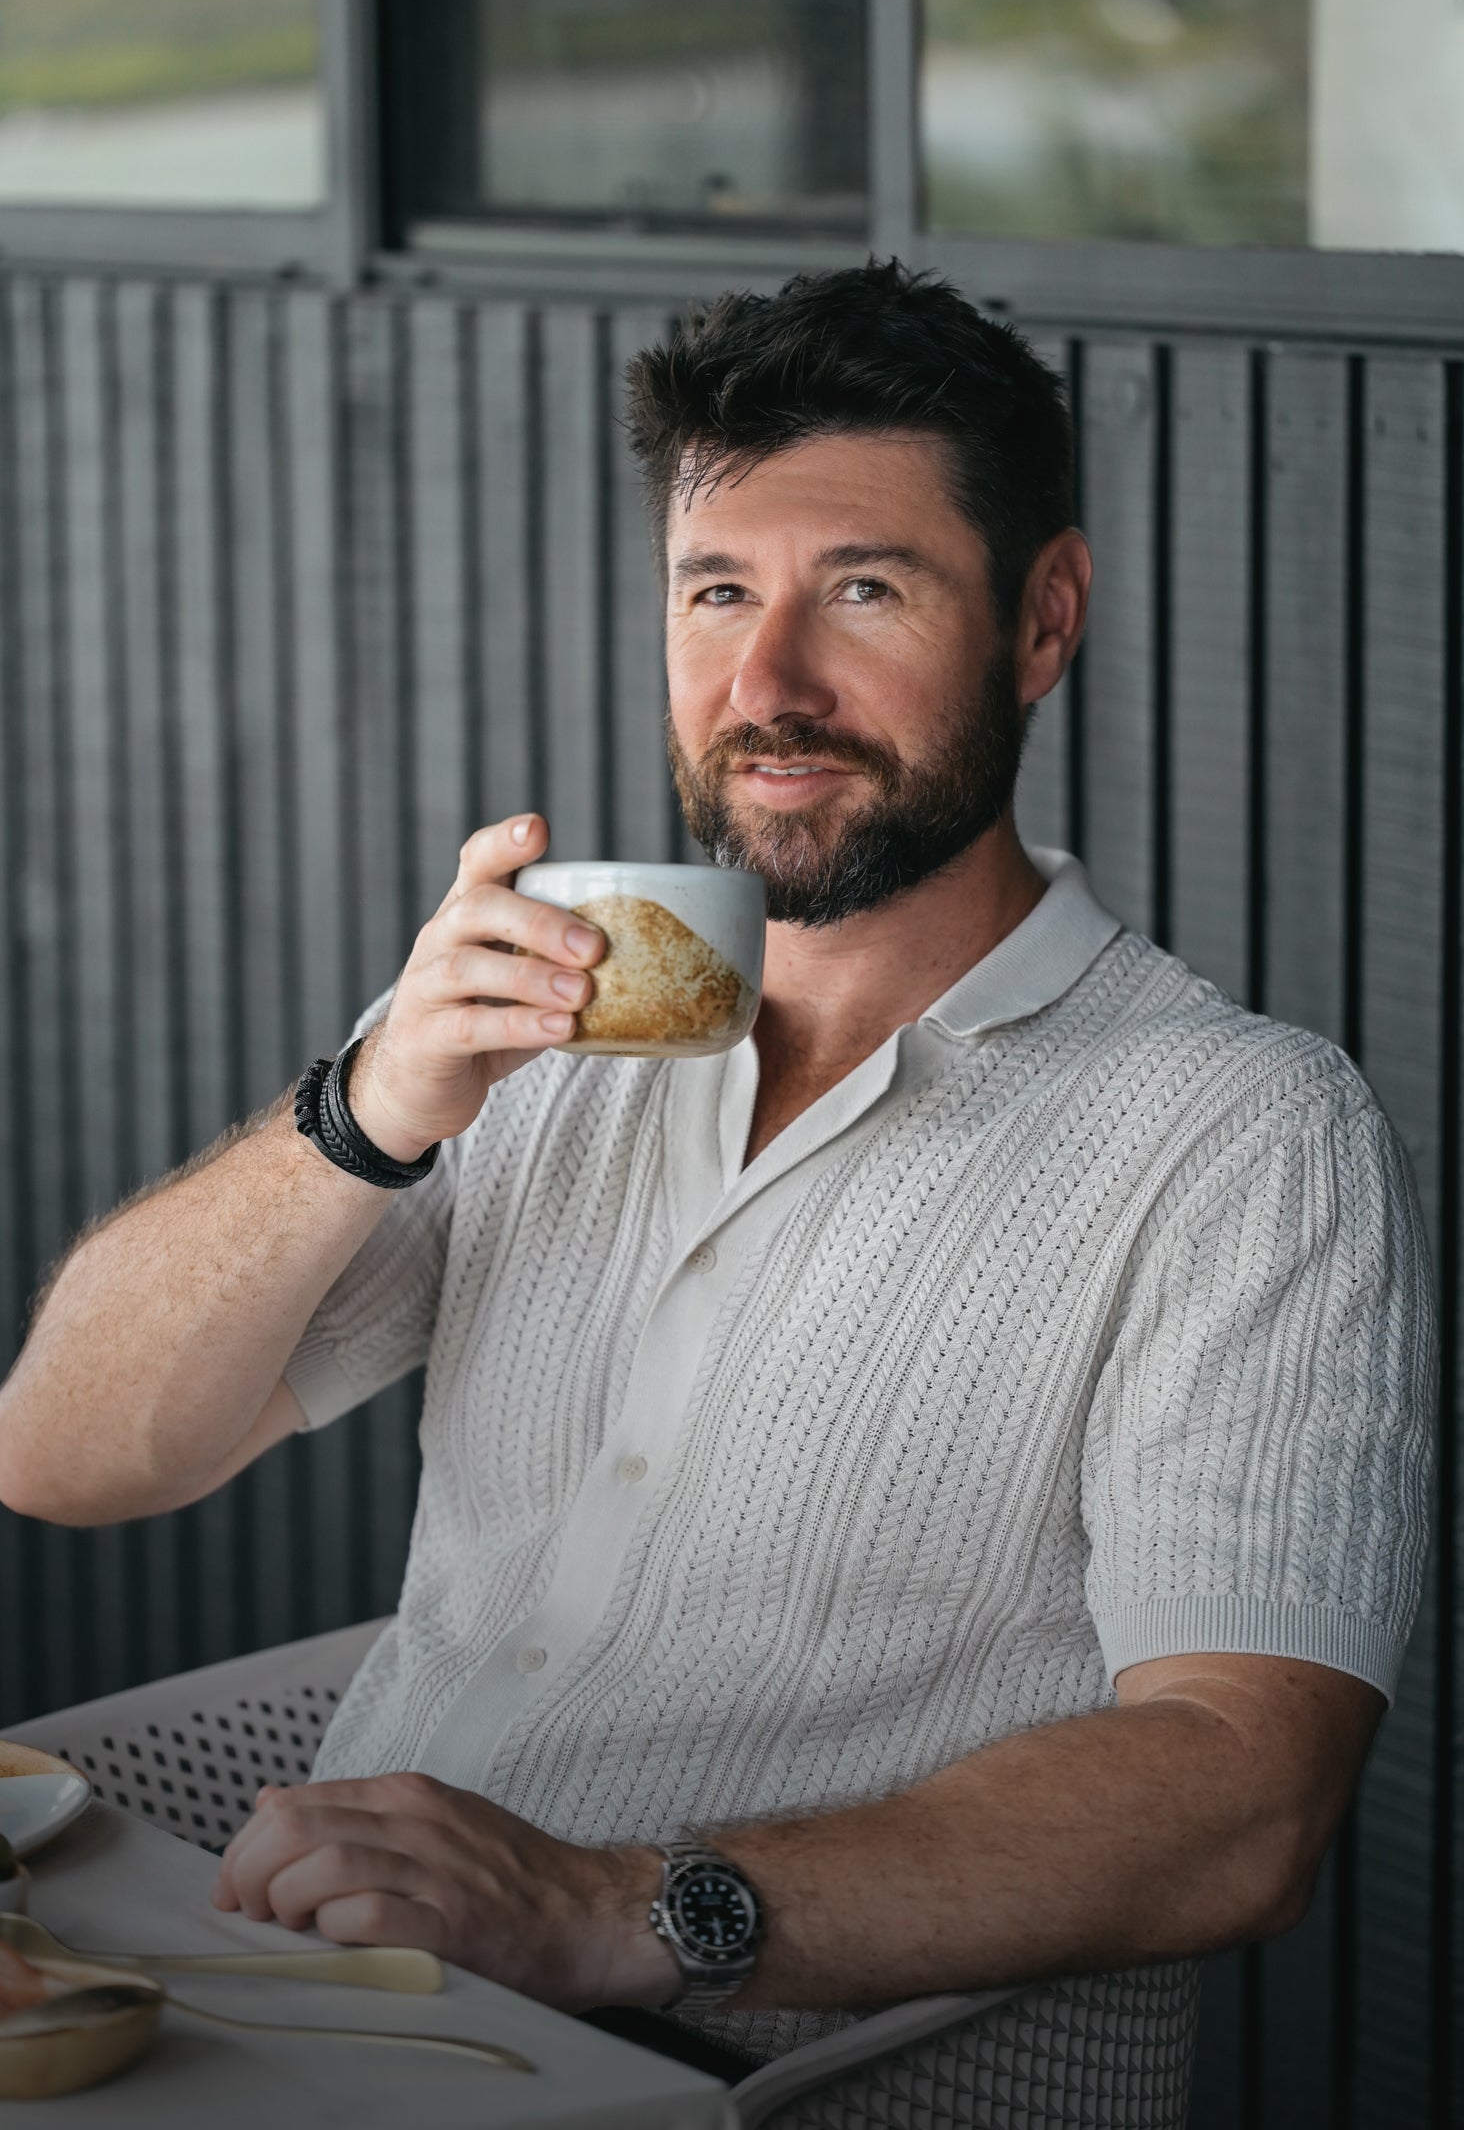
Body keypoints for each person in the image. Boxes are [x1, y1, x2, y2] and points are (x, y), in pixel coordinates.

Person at [0, 261, 1434, 2129]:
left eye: (862, 588)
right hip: (319, 2008)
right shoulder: (528, 1025)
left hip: (738, 2079)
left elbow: (1245, 1789)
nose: (769, 686)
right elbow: (62, 1453)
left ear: (1042, 617)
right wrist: (364, 1111)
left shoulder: (1237, 1135)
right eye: (716, 593)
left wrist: (629, 1909)